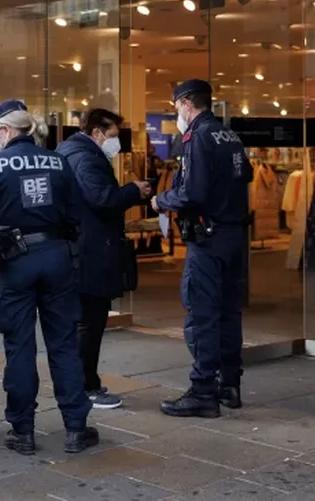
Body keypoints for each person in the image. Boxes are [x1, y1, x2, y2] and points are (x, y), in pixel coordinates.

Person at [0, 99, 97, 456]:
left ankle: (22, 430)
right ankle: (75, 428)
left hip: (15, 262)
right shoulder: (58, 161)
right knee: (64, 345)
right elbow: (75, 213)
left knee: (19, 348)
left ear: (7, 130)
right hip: (57, 258)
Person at [150, 80, 252, 418]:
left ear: (185, 103)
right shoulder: (229, 136)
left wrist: (159, 200)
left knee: (202, 313)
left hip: (208, 238)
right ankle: (230, 384)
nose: (176, 112)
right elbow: (245, 175)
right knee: (228, 311)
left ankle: (203, 389)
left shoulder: (196, 137)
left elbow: (191, 193)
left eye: (175, 105)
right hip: (234, 234)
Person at [56, 109, 151, 410]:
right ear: (97, 132)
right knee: (90, 321)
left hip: (82, 247)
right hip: (90, 250)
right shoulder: (86, 158)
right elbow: (103, 199)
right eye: (113, 135)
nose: (116, 142)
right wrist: (134, 191)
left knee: (86, 320)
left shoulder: (71, 151)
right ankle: (85, 387)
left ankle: (81, 382)